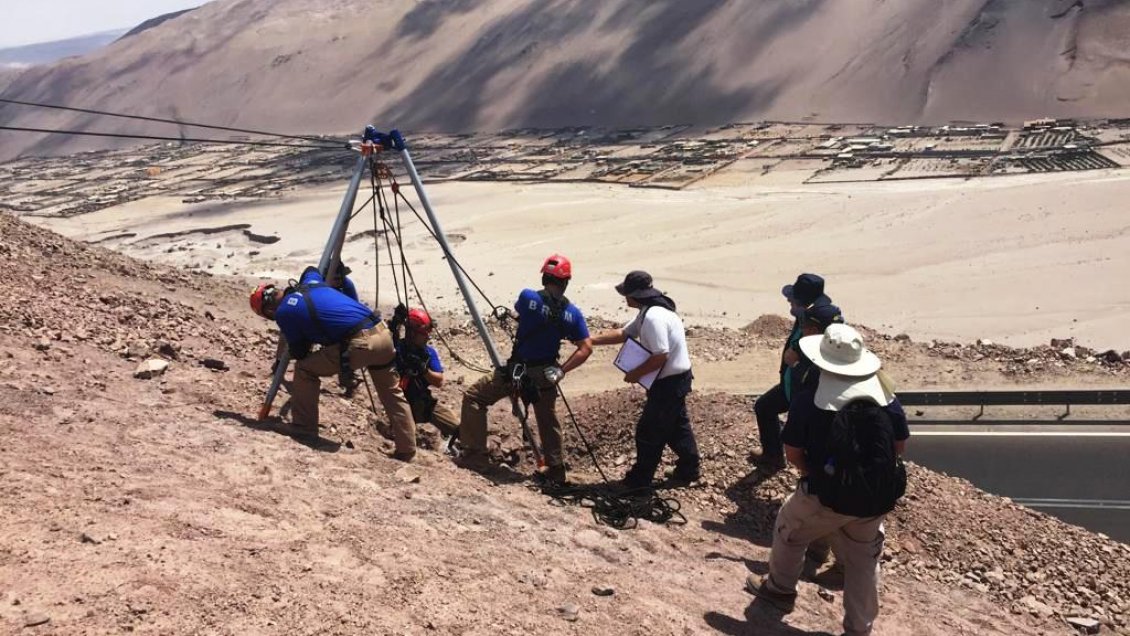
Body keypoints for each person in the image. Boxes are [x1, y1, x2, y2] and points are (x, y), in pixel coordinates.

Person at [746, 324, 909, 636]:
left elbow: (793, 453)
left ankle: (779, 589)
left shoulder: (812, 399)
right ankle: (859, 629)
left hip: (825, 494)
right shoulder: (885, 395)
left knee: (789, 530)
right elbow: (899, 445)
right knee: (863, 560)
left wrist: (818, 476)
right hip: (876, 496)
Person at [249, 264, 418, 461]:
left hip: (358, 343)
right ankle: (407, 448)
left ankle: (304, 427)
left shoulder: (284, 312)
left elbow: (301, 352)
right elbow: (311, 268)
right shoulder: (311, 283)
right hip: (382, 334)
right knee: (391, 392)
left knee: (305, 370)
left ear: (269, 310)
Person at [458, 254, 593, 483]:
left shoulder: (528, 297)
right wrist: (561, 371)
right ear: (566, 282)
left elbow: (525, 314)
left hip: (518, 371)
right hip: (546, 374)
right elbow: (586, 347)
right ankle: (555, 469)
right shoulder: (573, 314)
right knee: (547, 419)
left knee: (475, 397)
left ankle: (474, 454)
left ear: (544, 278)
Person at [591, 271, 700, 489]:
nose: (625, 298)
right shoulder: (649, 312)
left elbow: (661, 355)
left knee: (649, 431)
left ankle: (640, 480)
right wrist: (589, 340)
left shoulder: (653, 318)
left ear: (635, 295)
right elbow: (624, 334)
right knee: (677, 427)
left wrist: (636, 373)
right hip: (675, 380)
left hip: (669, 383)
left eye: (626, 294)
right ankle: (689, 469)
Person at [751, 273, 834, 471]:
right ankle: (773, 455)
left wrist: (795, 364)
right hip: (791, 384)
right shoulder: (807, 317)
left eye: (793, 298)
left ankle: (809, 482)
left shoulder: (817, 324)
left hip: (804, 388)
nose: (788, 301)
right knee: (764, 407)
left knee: (805, 438)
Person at [393, 307, 459, 441]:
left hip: (423, 403)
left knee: (460, 430)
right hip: (400, 404)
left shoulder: (428, 353)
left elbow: (439, 381)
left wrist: (423, 369)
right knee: (403, 438)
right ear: (412, 333)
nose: (427, 336)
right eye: (423, 333)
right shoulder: (398, 348)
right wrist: (395, 324)